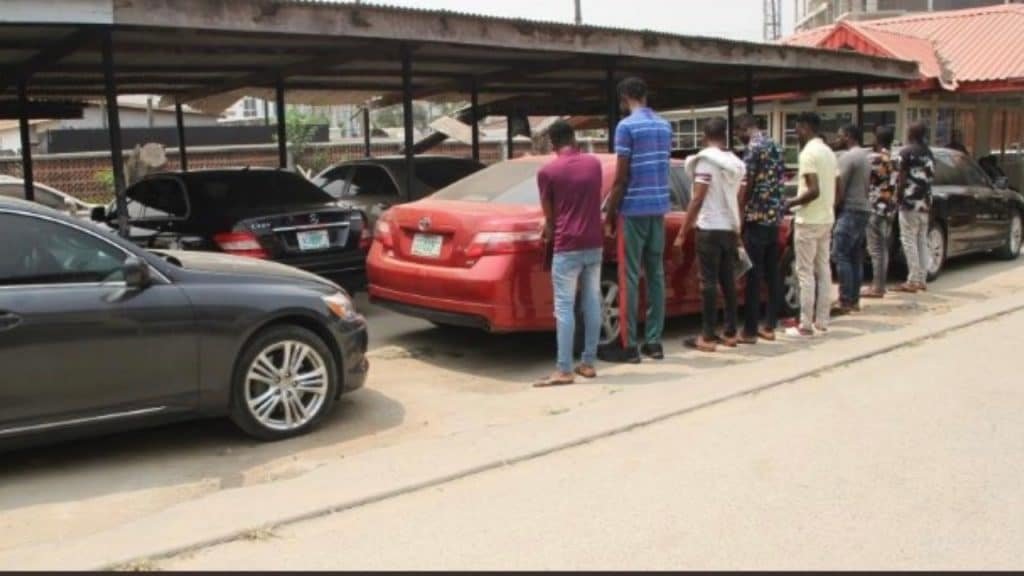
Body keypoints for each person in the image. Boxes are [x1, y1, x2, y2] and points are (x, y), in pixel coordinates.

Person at [600, 77, 673, 364]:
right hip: (659, 207)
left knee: (628, 276)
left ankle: (628, 344)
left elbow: (620, 177)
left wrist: (610, 214)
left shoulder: (626, 127)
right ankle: (654, 341)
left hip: (633, 209)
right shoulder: (665, 126)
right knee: (655, 275)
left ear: (625, 96)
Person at [534, 121, 604, 387]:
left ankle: (564, 369)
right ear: (575, 139)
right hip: (594, 242)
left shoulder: (548, 171)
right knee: (591, 302)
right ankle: (588, 363)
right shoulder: (594, 164)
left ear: (552, 144)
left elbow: (549, 217)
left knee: (564, 307)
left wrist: (548, 229)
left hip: (567, 245)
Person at [677, 117, 746, 352]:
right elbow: (739, 199)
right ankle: (730, 332)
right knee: (728, 281)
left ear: (704, 137)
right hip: (729, 227)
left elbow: (697, 199)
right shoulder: (735, 163)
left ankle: (707, 335)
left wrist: (682, 231)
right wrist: (738, 229)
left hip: (709, 228)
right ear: (725, 135)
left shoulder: (706, 161)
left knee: (707, 282)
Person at [783, 112, 838, 337]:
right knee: (823, 270)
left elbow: (812, 190)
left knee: (805, 273)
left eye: (797, 128)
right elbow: (837, 187)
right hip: (826, 218)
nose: (796, 132)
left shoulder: (808, 154)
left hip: (809, 219)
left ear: (805, 127)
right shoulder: (828, 152)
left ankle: (805, 324)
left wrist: (791, 203)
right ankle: (822, 321)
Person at [736, 114, 786, 343]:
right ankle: (770, 325)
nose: (738, 137)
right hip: (774, 216)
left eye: (738, 132)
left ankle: (749, 330)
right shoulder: (775, 144)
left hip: (757, 215)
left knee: (754, 275)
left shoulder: (753, 149)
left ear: (745, 128)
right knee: (772, 272)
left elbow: (749, 183)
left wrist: (740, 214)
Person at [831, 123, 872, 315]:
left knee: (841, 255)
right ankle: (854, 299)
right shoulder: (864, 156)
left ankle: (845, 299)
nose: (837, 139)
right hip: (863, 208)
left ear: (848, 136)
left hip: (850, 209)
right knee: (855, 256)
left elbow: (839, 187)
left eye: (839, 135)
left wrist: (832, 207)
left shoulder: (848, 157)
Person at [895, 121, 935, 293]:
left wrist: (898, 196)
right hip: (925, 202)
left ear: (911, 133)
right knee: (921, 240)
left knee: (908, 240)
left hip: (909, 202)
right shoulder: (929, 153)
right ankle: (922, 278)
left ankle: (912, 279)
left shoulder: (906, 153)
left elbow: (901, 178)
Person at [863, 125, 898, 299]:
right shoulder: (893, 157)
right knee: (883, 248)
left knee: (875, 249)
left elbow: (866, 180)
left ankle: (877, 287)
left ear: (877, 139)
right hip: (889, 208)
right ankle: (880, 285)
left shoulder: (876, 159)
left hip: (876, 208)